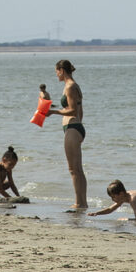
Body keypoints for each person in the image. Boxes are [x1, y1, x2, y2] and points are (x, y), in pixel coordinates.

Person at [49, 59, 86, 211]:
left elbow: (72, 110)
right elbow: (80, 111)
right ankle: (82, 203)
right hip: (76, 127)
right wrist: (79, 126)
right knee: (78, 169)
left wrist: (53, 112)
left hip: (72, 128)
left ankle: (79, 203)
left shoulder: (70, 87)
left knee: (73, 169)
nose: (56, 75)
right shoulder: (74, 85)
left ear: (62, 71)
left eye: (56, 71)